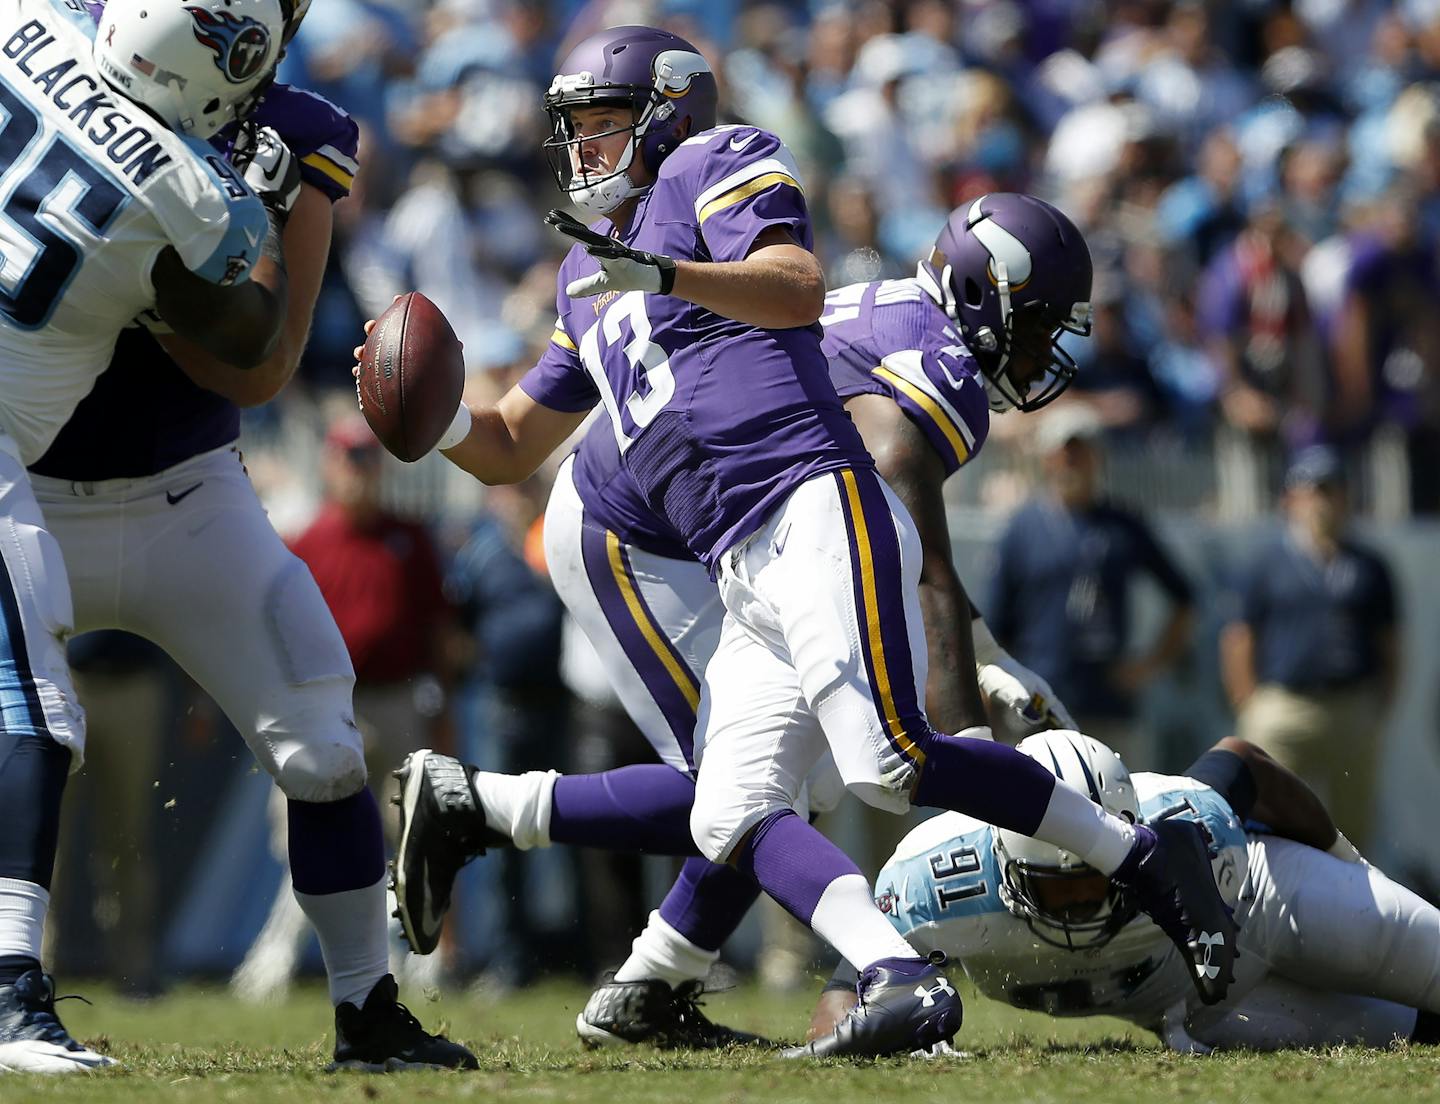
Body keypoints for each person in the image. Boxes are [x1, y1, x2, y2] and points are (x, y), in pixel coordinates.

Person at [374, 24, 1237, 1059]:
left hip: (807, 503)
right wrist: (428, 422)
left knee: (886, 761)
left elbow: (792, 284)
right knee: (730, 813)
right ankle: (897, 978)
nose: (586, 152)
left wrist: (666, 274)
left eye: (605, 127)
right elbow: (513, 444)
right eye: (580, 132)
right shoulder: (581, 276)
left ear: (667, 116)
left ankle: (1145, 860)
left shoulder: (717, 160)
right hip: (730, 559)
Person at [399, 193, 1090, 1047]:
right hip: (641, 532)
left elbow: (899, 538)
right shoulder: (927, 357)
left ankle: (649, 981)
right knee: (740, 791)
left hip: (719, 526)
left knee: (765, 786)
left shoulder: (896, 322)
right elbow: (899, 503)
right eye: (1038, 326)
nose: (1044, 353)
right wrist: (971, 735)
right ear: (988, 297)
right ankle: (486, 810)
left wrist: (980, 649)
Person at [15, 0, 474, 1073]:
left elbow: (264, 369)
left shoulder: (301, 132)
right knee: (19, 729)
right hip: (24, 488)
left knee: (321, 732)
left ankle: (368, 1010)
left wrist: (166, 270)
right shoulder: (55, 51)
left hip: (187, 492)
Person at [807, 730, 1440, 1054]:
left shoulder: (1185, 822)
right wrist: (868, 1036)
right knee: (1415, 1032)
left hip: (1262, 901)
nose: (1085, 903)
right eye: (1062, 890)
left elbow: (1244, 762)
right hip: (1193, 1003)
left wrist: (1352, 867)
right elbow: (840, 1001)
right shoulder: (935, 882)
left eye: (1101, 877)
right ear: (1006, 869)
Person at [987, 404, 1197, 768]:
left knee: (1119, 812)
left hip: (1109, 706)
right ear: (1047, 459)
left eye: (1080, 452)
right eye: (1063, 452)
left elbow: (1184, 597)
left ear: (1098, 457)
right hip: (1038, 705)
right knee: (1037, 816)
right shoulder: (1022, 529)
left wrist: (1149, 665)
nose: (1071, 462)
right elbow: (993, 626)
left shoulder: (1123, 524)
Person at [1220, 445, 1398, 852]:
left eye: (1331, 489)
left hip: (1351, 704)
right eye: (1313, 489)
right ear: (1291, 498)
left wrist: (1377, 704)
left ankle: (1350, 915)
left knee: (1353, 834)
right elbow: (1239, 637)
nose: (1322, 500)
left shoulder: (1370, 564)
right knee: (1269, 822)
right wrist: (1250, 703)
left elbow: (1391, 643)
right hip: (1284, 706)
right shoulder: (1266, 562)